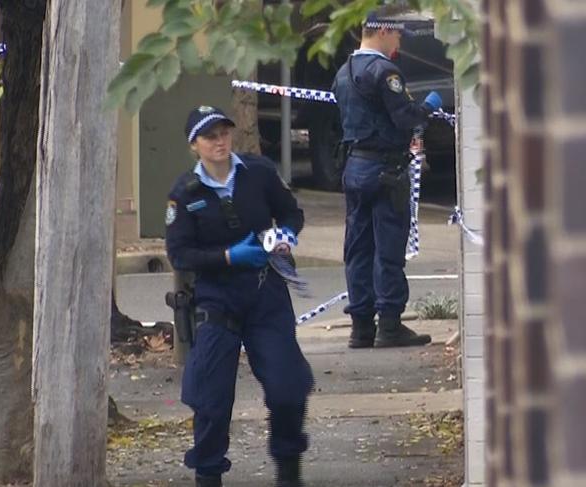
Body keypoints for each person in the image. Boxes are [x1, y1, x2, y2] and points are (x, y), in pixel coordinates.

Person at [165, 105, 313, 487]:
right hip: (217, 299)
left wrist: (286, 236)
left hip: (265, 292)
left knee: (287, 386)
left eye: (224, 133)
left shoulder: (257, 173)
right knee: (210, 399)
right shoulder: (185, 194)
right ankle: (209, 474)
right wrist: (228, 256)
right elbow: (180, 254)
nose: (220, 142)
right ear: (193, 145)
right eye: (210, 136)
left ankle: (288, 469)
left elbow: (291, 213)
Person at [332, 6, 443, 349]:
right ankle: (390, 324)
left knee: (358, 248)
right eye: (396, 34)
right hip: (386, 170)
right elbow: (405, 118)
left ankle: (361, 326)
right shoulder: (385, 71)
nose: (398, 42)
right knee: (388, 247)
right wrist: (430, 106)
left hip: (355, 167)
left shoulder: (343, 72)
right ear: (382, 31)